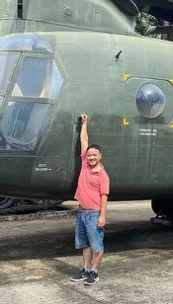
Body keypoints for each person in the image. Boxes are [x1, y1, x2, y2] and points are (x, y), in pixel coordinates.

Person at [70, 114, 110, 286]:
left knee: (97, 245)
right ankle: (86, 269)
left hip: (94, 214)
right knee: (84, 244)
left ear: (100, 157)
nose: (91, 157)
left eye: (95, 155)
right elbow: (84, 139)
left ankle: (94, 272)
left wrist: (102, 216)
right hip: (82, 212)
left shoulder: (102, 175)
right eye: (90, 155)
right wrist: (84, 123)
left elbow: (104, 196)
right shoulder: (85, 165)